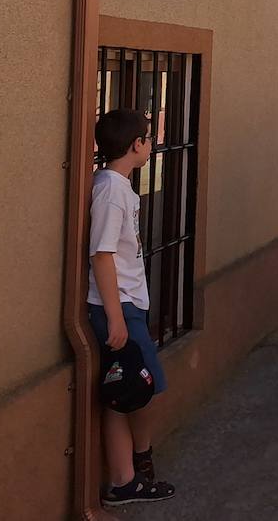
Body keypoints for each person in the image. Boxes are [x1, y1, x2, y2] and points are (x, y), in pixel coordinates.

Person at [88, 108, 176, 505]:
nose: (151, 142)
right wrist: (115, 316)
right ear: (136, 145)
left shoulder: (117, 185)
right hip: (118, 307)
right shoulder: (109, 190)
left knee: (124, 392)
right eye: (147, 136)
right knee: (141, 387)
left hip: (127, 305)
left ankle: (127, 479)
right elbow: (101, 255)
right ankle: (134, 470)